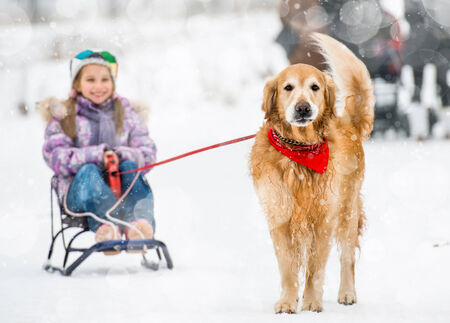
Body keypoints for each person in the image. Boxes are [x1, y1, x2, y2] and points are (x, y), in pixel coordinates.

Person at [40, 50, 156, 254]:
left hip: (123, 193)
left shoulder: (128, 113)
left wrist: (119, 156)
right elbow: (56, 157)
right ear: (77, 84)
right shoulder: (65, 116)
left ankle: (139, 226)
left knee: (130, 167)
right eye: (90, 80)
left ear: (113, 83)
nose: (99, 86)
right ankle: (107, 228)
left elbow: (147, 153)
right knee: (89, 171)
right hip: (79, 198)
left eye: (105, 79)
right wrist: (97, 155)